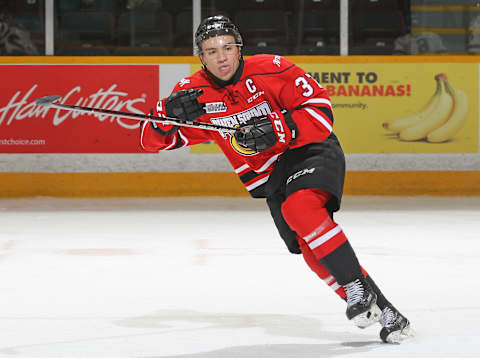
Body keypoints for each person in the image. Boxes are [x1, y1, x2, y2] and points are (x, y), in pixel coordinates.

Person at [140, 15, 412, 344]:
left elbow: (320, 110)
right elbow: (153, 141)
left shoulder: (272, 68)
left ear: (240, 49)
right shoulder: (193, 94)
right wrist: (162, 115)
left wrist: (281, 127)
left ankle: (357, 288)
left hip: (310, 150)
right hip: (272, 178)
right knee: (310, 250)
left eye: (228, 47)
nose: (221, 57)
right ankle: (387, 313)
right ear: (201, 57)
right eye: (211, 51)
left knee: (301, 210)